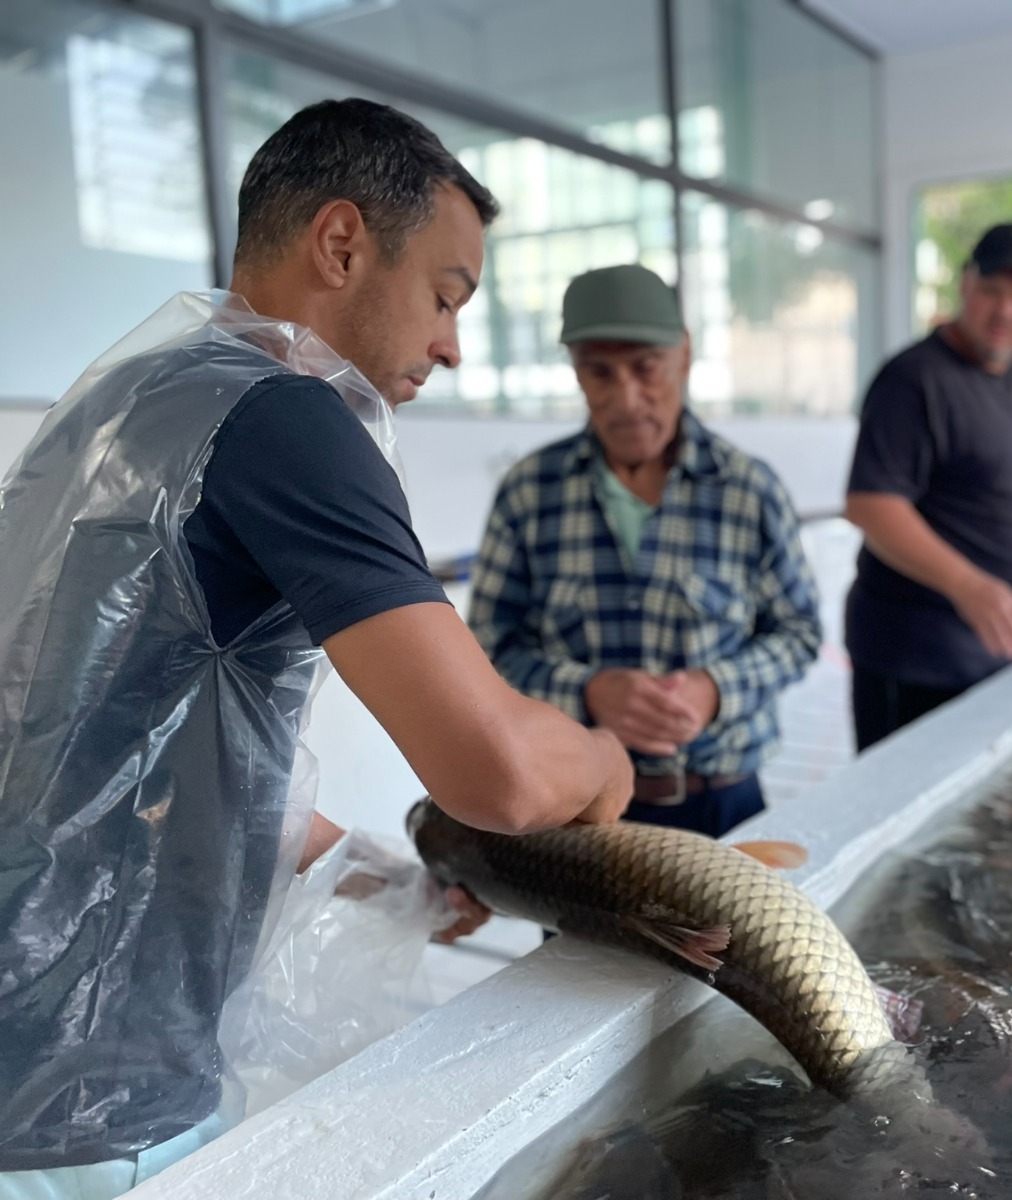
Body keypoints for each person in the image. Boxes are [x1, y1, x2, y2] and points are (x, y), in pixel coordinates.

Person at [0, 99, 634, 1196]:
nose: (451, 345)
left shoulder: (121, 401)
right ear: (341, 243)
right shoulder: (288, 418)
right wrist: (606, 761)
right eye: (445, 296)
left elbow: (116, 747)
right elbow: (501, 773)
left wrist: (372, 875)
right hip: (92, 1085)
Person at [469, 264, 822, 838]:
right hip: (572, 810)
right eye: (599, 372)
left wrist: (715, 690)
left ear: (684, 355)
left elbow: (799, 632)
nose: (627, 398)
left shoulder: (748, 491)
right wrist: (588, 693)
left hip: (722, 802)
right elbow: (487, 646)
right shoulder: (530, 492)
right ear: (576, 372)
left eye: (646, 368)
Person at [844, 223, 1012, 751]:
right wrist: (969, 585)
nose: (1005, 309)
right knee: (908, 800)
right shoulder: (912, 379)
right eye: (992, 290)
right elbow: (872, 504)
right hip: (918, 662)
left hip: (997, 658)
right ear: (965, 283)